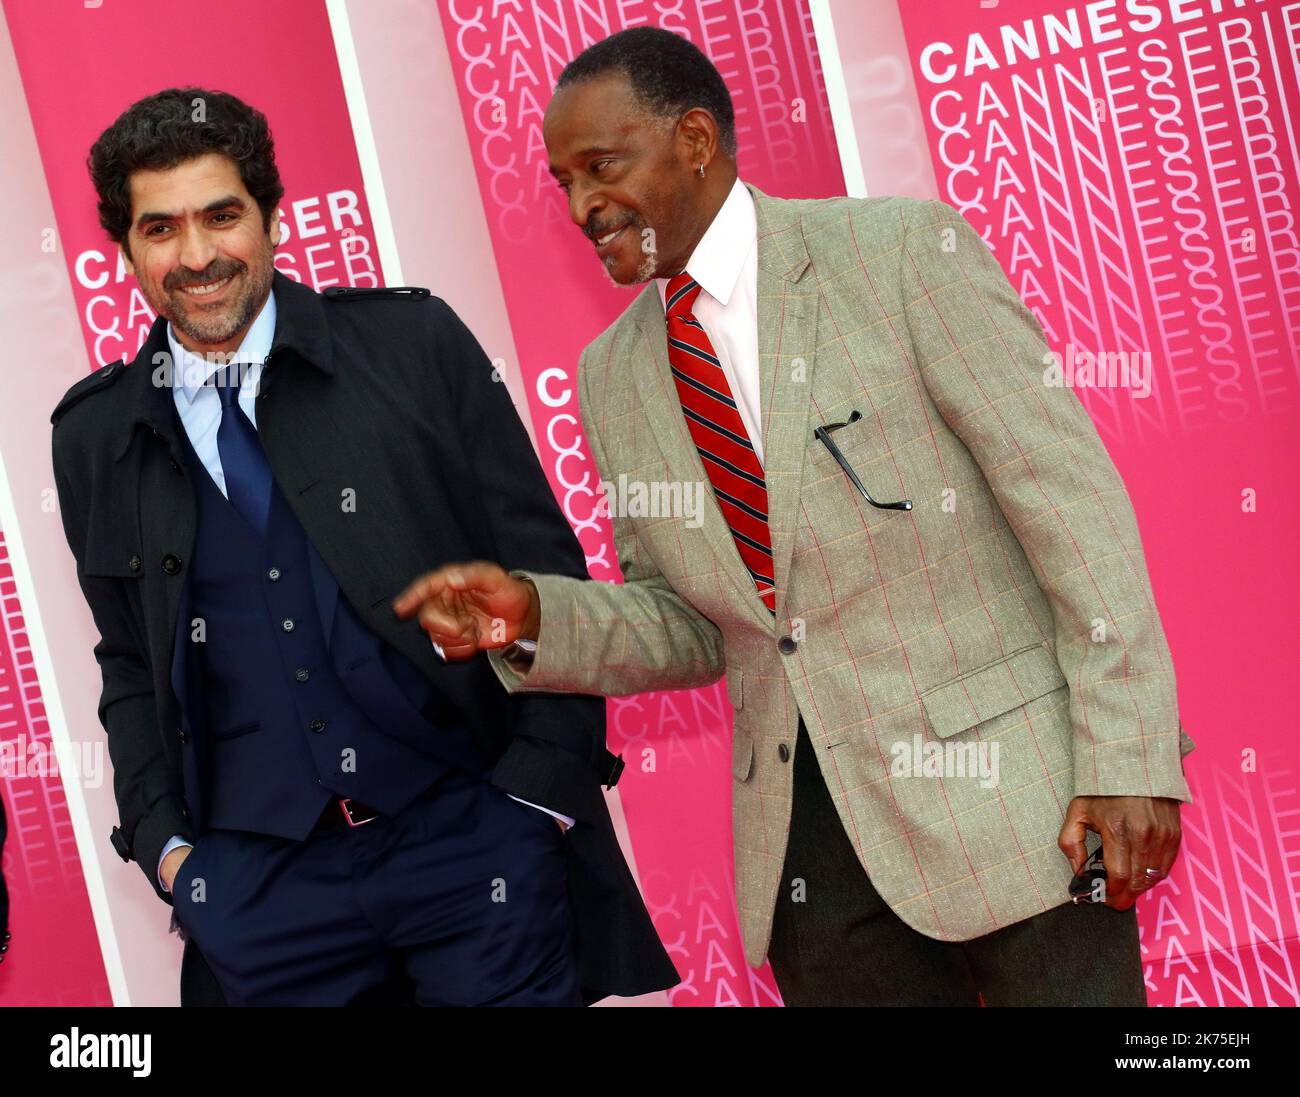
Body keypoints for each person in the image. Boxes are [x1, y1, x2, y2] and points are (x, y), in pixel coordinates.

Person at [395, 27, 1195, 1007]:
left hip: (1022, 812)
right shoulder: (612, 378)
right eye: (562, 182)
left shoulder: (901, 254)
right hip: (811, 864)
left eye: (601, 167)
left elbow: (1071, 506)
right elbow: (691, 624)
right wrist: (531, 616)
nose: (581, 206)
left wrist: (1130, 757)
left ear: (694, 138)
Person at [50, 87, 676, 1006]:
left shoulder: (411, 345)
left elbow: (545, 577)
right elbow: (130, 664)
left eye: (222, 216)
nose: (196, 256)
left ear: (271, 216)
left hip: (472, 847)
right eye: (160, 229)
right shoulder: (93, 433)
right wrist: (170, 851)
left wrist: (533, 795)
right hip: (266, 901)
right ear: (127, 248)